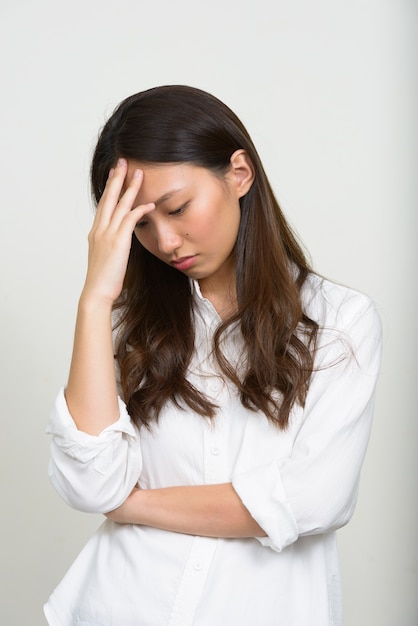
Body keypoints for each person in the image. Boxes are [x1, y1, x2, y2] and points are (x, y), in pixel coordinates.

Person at [44, 85, 382, 626]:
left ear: (240, 173)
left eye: (178, 209)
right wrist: (95, 300)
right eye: (141, 225)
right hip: (119, 607)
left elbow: (312, 501)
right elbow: (91, 485)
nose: (167, 241)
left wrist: (132, 506)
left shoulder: (340, 323)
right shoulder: (127, 322)